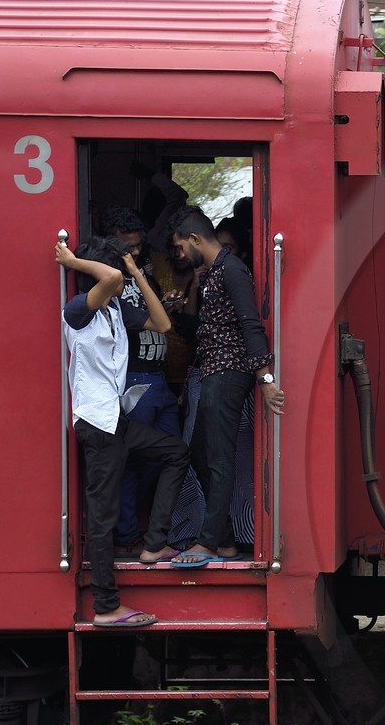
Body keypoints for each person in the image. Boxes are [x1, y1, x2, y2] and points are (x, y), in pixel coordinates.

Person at [57, 238, 189, 627]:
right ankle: (105, 606)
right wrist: (74, 262)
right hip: (97, 423)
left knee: (176, 453)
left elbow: (163, 324)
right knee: (102, 517)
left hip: (116, 420)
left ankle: (154, 545)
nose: (121, 278)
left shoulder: (115, 308)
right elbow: (111, 278)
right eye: (116, 270)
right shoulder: (77, 311)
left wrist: (138, 276)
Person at [168, 206, 284, 568]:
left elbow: (251, 324)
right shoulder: (215, 271)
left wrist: (265, 379)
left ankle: (209, 542)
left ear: (195, 239)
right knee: (200, 455)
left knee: (217, 458)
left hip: (228, 373)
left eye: (180, 247)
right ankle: (226, 540)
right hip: (214, 372)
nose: (180, 254)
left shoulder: (232, 269)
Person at [100, 206, 182, 556]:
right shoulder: (109, 280)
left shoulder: (141, 272)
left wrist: (165, 304)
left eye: (138, 245)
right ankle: (129, 536)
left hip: (159, 377)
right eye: (127, 246)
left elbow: (151, 316)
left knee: (173, 454)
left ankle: (152, 534)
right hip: (133, 378)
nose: (134, 252)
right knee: (133, 460)